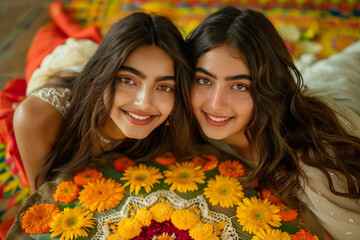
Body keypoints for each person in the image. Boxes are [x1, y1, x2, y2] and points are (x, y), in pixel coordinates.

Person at [186, 6, 360, 240]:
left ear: (268, 89)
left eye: (239, 86)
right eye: (204, 80)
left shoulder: (317, 169)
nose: (216, 104)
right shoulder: (180, 107)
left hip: (344, 97)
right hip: (314, 82)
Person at [12, 6, 192, 193]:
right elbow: (40, 203)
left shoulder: (178, 109)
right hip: (63, 60)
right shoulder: (38, 117)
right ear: (102, 77)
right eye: (127, 80)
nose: (144, 103)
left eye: (164, 87)